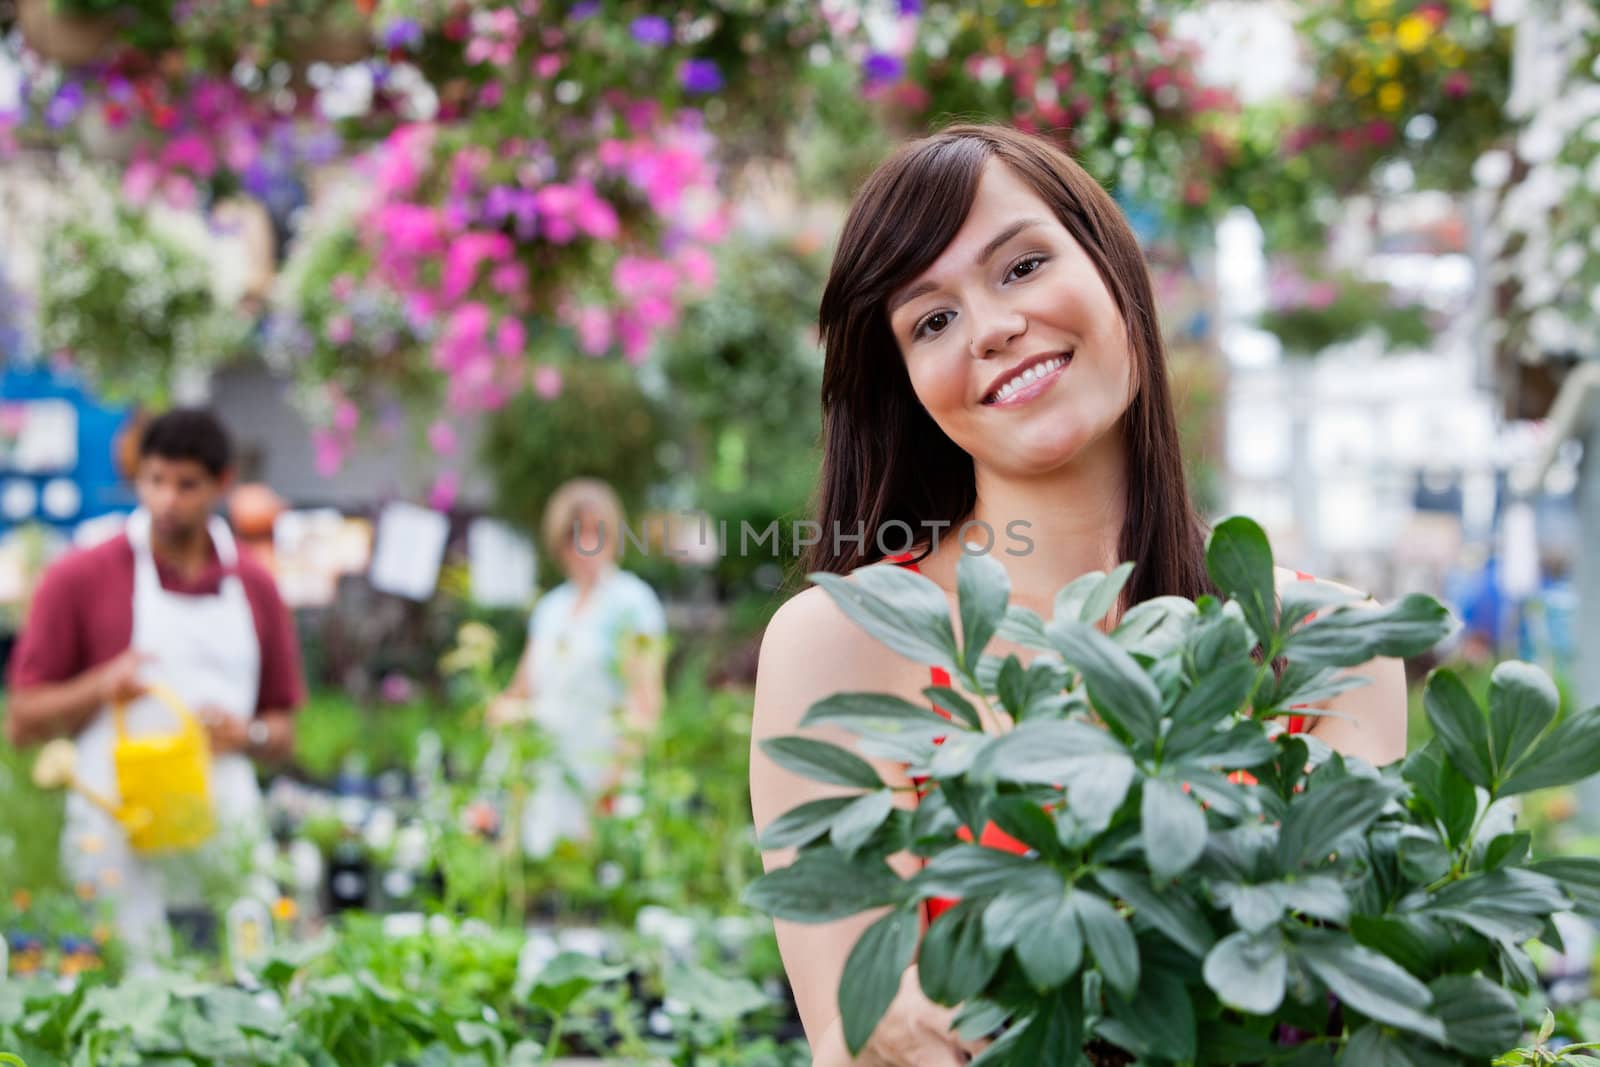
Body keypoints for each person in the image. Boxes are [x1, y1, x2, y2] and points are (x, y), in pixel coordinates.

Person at [747, 125, 1409, 1067]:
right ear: (907, 386)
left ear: (1113, 271)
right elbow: (869, 1040)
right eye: (930, 320)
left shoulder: (1330, 643)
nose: (991, 326)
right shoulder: (841, 642)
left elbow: (1343, 995)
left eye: (1020, 266)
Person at [6, 408, 304, 955]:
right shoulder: (83, 576)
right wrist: (100, 686)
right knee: (126, 991)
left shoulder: (255, 585)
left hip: (223, 834)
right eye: (154, 481)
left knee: (248, 980)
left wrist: (248, 735)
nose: (167, 499)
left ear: (222, 482)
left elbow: (284, 730)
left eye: (186, 485)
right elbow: (21, 720)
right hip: (119, 839)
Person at [489, 477, 667, 858]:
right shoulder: (551, 609)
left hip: (603, 772)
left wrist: (611, 785)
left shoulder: (633, 603)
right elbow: (523, 690)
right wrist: (499, 709)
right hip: (549, 775)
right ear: (560, 542)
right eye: (576, 534)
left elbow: (645, 704)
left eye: (596, 532)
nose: (587, 546)